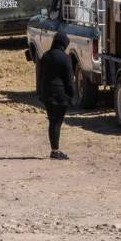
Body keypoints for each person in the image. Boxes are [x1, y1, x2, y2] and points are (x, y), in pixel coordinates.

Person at [38, 31, 76, 160]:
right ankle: (55, 150)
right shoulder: (65, 58)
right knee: (57, 122)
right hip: (61, 95)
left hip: (48, 94)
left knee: (52, 122)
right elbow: (69, 80)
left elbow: (40, 76)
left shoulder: (45, 56)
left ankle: (54, 148)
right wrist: (72, 95)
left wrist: (41, 93)